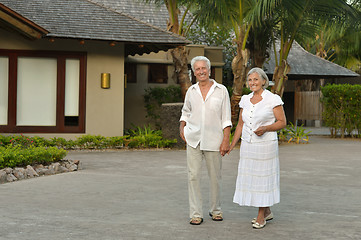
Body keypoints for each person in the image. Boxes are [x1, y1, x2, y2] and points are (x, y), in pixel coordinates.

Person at [228, 67, 286, 229]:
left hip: (266, 146)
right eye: (250, 80)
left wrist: (266, 128)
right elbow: (240, 124)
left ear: (263, 81)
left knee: (263, 179)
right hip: (248, 146)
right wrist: (232, 145)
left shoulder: (272, 99)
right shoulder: (245, 99)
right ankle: (266, 210)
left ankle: (261, 216)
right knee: (253, 179)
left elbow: (282, 122)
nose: (252, 83)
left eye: (255, 79)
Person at [179, 56, 232, 225]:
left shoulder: (221, 90)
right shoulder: (191, 91)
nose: (201, 71)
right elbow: (185, 112)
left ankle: (216, 210)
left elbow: (226, 118)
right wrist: (182, 128)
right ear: (194, 72)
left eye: (203, 68)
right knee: (193, 176)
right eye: (197, 69)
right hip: (193, 139)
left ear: (209, 70)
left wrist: (225, 140)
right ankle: (195, 213)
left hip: (214, 140)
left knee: (215, 177)